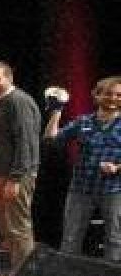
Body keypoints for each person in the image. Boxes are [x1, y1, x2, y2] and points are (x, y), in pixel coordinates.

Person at [44, 75, 121, 263]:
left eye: (118, 95)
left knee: (114, 239)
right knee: (71, 238)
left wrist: (117, 167)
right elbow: (51, 140)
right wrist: (57, 110)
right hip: (81, 188)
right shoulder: (83, 122)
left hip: (114, 190)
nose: (113, 98)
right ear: (97, 96)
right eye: (108, 94)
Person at [0, 61, 42, 272]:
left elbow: (26, 141)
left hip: (15, 176)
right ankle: (16, 275)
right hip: (0, 175)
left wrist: (16, 177)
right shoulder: (1, 103)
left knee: (18, 228)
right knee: (7, 228)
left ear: (9, 78)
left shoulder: (19, 102)